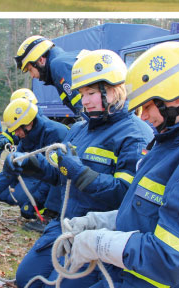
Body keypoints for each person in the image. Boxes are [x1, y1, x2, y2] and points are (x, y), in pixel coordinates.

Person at [14, 49, 154, 288]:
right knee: (25, 279)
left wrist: (80, 173)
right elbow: (61, 176)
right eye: (81, 93)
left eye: (90, 93)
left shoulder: (135, 135)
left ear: (114, 89)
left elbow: (125, 195)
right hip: (65, 224)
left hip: (97, 234)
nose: (84, 101)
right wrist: (33, 165)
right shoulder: (80, 129)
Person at [62, 41, 179, 288]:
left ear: (174, 98)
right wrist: (99, 222)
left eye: (148, 105)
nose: (144, 116)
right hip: (129, 269)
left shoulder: (144, 139)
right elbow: (142, 211)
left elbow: (171, 259)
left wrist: (100, 243)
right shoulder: (164, 144)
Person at [0, 92, 68, 233]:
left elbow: (55, 177)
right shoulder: (27, 137)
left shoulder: (55, 133)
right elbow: (11, 171)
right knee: (4, 194)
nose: (15, 134)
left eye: (17, 129)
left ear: (28, 123)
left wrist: (32, 201)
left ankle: (51, 216)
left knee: (57, 175)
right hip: (40, 178)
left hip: (62, 183)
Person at [15, 35, 83, 117]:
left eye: (30, 69)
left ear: (40, 60)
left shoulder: (58, 65)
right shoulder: (61, 65)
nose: (32, 76)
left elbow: (82, 105)